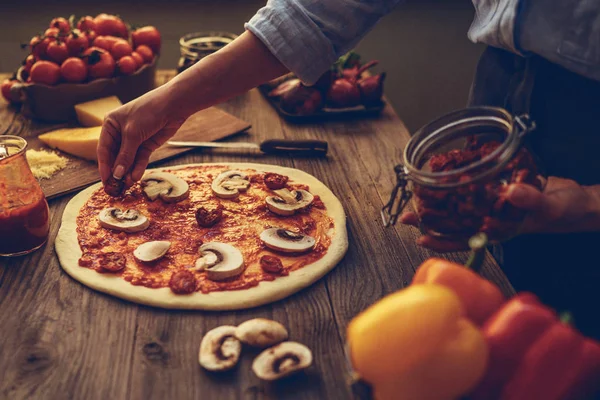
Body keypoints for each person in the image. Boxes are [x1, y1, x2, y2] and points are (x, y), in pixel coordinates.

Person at [98, 0, 600, 338]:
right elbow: (320, 10)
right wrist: (171, 99)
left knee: (575, 321)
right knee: (487, 307)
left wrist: (589, 205)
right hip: (501, 84)